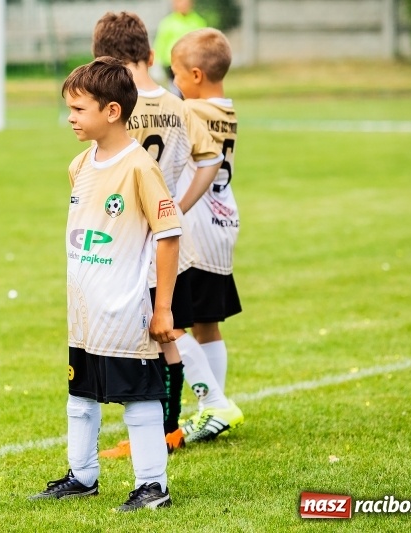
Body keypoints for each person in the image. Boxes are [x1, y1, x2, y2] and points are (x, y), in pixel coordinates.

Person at [28, 56, 180, 511]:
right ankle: (82, 476)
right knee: (80, 395)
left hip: (124, 308)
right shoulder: (80, 165)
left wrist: (163, 308)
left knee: (139, 396)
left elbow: (169, 236)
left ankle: (153, 486)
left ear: (112, 111)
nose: (70, 118)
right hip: (84, 312)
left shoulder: (139, 168)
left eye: (79, 109)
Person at [90, 11, 230, 458]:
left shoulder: (115, 107)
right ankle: (167, 430)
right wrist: (179, 207)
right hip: (170, 238)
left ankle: (170, 425)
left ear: (104, 60)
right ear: (149, 55)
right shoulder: (177, 105)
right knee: (166, 333)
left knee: (156, 336)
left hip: (132, 239)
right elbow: (210, 159)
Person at [170, 27, 244, 443]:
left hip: (195, 229)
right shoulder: (225, 109)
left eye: (177, 73)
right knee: (207, 324)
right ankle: (212, 411)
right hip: (222, 222)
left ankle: (213, 403)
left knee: (169, 323)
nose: (173, 81)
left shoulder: (190, 112)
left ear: (196, 75)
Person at [153, 0, 208, 95]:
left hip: (193, 63)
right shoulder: (167, 23)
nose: (183, 4)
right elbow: (160, 44)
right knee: (177, 92)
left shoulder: (198, 22)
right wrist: (156, 63)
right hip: (172, 64)